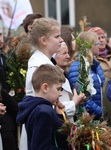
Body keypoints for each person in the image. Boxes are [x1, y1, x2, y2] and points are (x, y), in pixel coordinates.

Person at [19, 17, 63, 150]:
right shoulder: (38, 66)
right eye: (57, 36)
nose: (61, 40)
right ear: (43, 40)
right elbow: (39, 99)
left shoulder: (47, 62)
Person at [17, 64, 70, 150]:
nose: (60, 93)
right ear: (45, 87)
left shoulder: (39, 108)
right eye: (58, 89)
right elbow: (41, 147)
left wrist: (59, 115)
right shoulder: (43, 112)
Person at [68, 31, 105, 120]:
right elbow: (80, 94)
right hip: (89, 118)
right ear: (89, 46)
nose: (99, 45)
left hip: (100, 117)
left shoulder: (96, 65)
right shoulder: (78, 67)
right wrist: (99, 112)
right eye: (96, 43)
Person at [53, 42, 85, 122]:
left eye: (68, 53)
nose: (68, 56)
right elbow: (57, 108)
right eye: (64, 53)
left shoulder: (64, 73)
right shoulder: (52, 77)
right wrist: (74, 102)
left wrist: (77, 101)